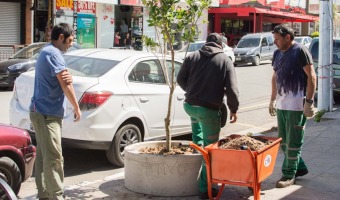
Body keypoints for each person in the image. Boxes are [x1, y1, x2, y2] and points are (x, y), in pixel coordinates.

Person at [177, 33, 239, 199]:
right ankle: (205, 188)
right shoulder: (225, 60)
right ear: (220, 46)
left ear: (206, 43)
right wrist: (234, 109)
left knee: (198, 140)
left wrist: (192, 92)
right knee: (210, 151)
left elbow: (180, 79)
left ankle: (197, 166)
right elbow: (232, 89)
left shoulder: (192, 56)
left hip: (190, 107)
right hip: (208, 111)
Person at [29, 23, 82, 200]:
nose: (70, 45)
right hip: (46, 115)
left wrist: (67, 74)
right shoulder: (53, 53)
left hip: (41, 112)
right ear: (61, 37)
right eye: (69, 41)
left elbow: (63, 76)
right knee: (54, 158)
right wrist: (76, 107)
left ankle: (44, 194)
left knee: (44, 156)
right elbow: (66, 84)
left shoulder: (47, 52)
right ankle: (56, 196)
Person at [270, 24, 316, 188]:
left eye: (277, 39)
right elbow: (275, 77)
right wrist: (272, 99)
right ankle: (299, 167)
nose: (274, 42)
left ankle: (289, 175)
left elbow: (312, 77)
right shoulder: (277, 53)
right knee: (283, 141)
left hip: (297, 105)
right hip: (282, 104)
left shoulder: (300, 51)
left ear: (287, 37)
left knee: (293, 142)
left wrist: (309, 102)